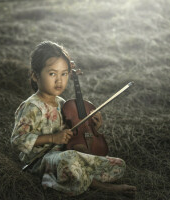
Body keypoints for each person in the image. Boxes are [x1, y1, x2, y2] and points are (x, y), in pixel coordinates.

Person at [11, 41, 136, 196]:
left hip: (63, 153)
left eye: (64, 73)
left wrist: (93, 128)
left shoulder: (62, 103)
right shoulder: (31, 106)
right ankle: (102, 187)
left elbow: (71, 132)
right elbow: (17, 140)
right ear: (35, 76)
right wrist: (52, 138)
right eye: (52, 74)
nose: (59, 80)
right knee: (70, 158)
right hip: (39, 161)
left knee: (118, 164)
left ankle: (76, 176)